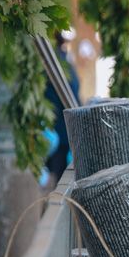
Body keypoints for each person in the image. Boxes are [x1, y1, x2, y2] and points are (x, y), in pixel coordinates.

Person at [44, 32, 80, 185]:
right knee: (61, 177)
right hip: (64, 128)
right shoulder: (64, 64)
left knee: (58, 177)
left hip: (56, 129)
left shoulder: (51, 65)